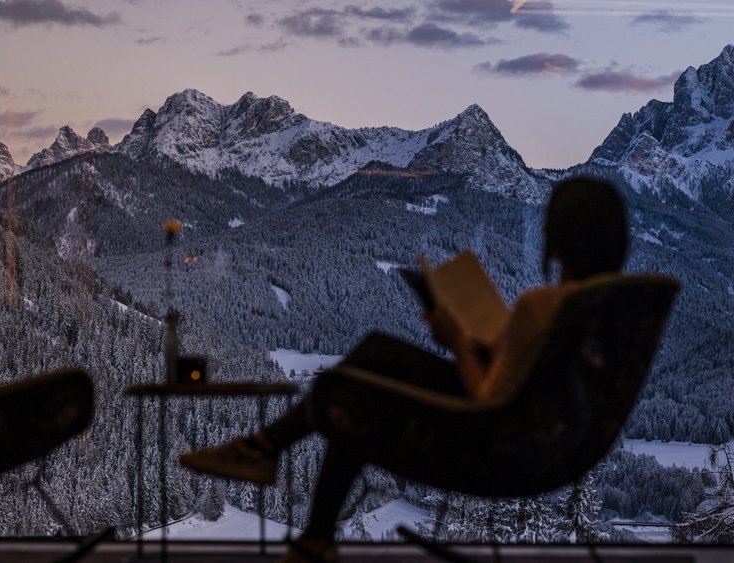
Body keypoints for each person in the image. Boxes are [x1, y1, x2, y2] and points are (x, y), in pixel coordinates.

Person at [179, 177, 629, 562]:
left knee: (344, 391)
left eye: (551, 220)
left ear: (564, 235)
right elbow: (534, 382)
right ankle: (270, 464)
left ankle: (278, 477)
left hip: (496, 442)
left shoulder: (545, 307)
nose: (544, 226)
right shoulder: (614, 309)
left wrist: (457, 341)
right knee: (374, 354)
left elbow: (491, 399)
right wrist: (484, 347)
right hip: (542, 442)